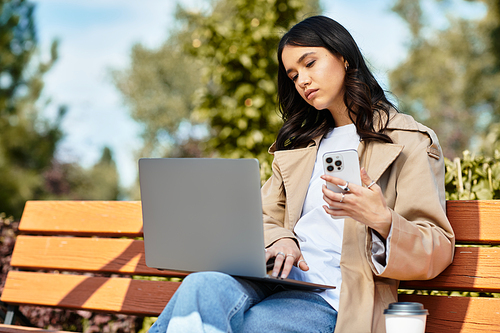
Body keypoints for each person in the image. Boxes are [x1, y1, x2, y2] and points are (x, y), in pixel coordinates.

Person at [148, 15, 455, 333]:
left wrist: (381, 219)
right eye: (293, 75)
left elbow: (436, 246)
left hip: (335, 298)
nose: (303, 81)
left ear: (344, 57)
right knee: (201, 286)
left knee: (247, 326)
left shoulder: (408, 140)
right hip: (272, 278)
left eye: (310, 63)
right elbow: (263, 217)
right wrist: (282, 239)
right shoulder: (300, 148)